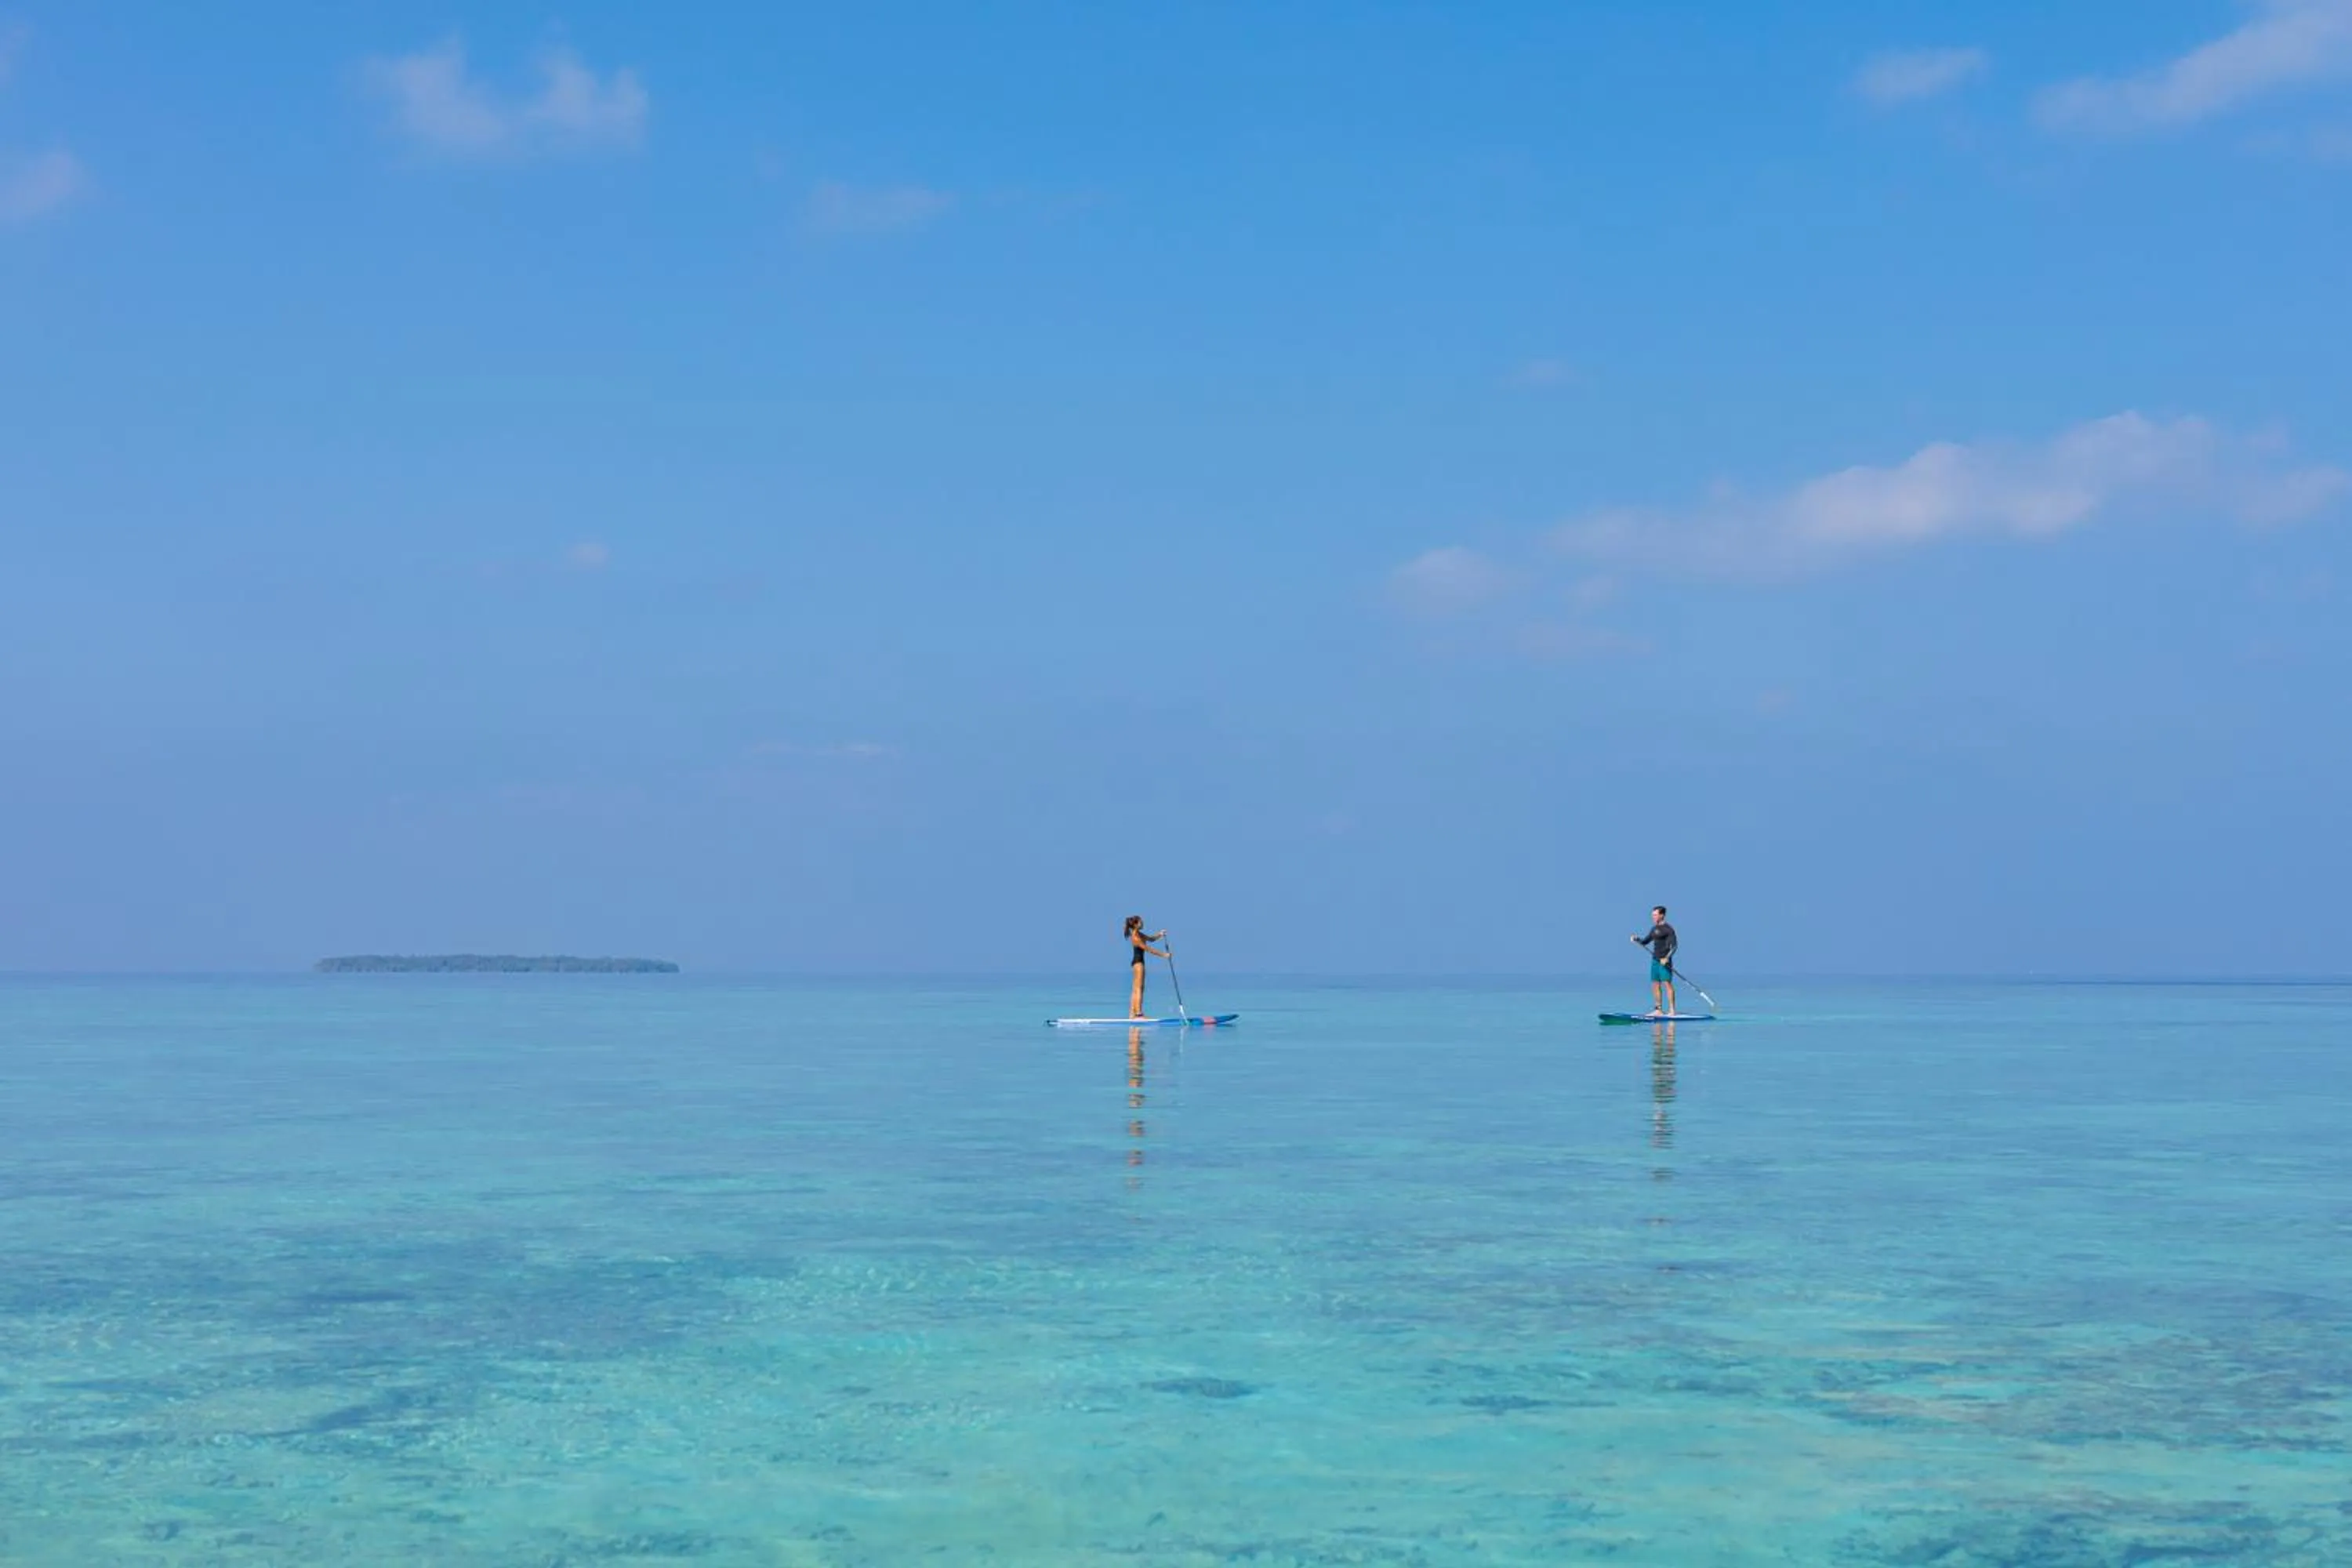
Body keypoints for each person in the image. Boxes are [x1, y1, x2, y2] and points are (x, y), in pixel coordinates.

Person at [1631, 906, 1678, 1017]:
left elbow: (1674, 946)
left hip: (1664, 961)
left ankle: (1672, 1010)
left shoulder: (1668, 929)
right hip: (1655, 960)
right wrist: (1637, 939)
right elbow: (1645, 942)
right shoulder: (1654, 929)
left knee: (1667, 983)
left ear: (1662, 915)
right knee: (1655, 984)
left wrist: (1667, 958)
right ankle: (1658, 1010)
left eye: (1655, 915)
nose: (1653, 917)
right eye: (1653, 915)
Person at [1123, 915, 1169, 1018]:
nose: (1143, 923)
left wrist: (1160, 934)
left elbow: (1151, 939)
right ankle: (1139, 1014)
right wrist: (1164, 955)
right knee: (1139, 988)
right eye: (1141, 922)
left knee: (1136, 988)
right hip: (1138, 964)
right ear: (1136, 925)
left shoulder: (1139, 934)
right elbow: (1148, 949)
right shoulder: (1136, 937)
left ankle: (1132, 1014)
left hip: (1137, 963)